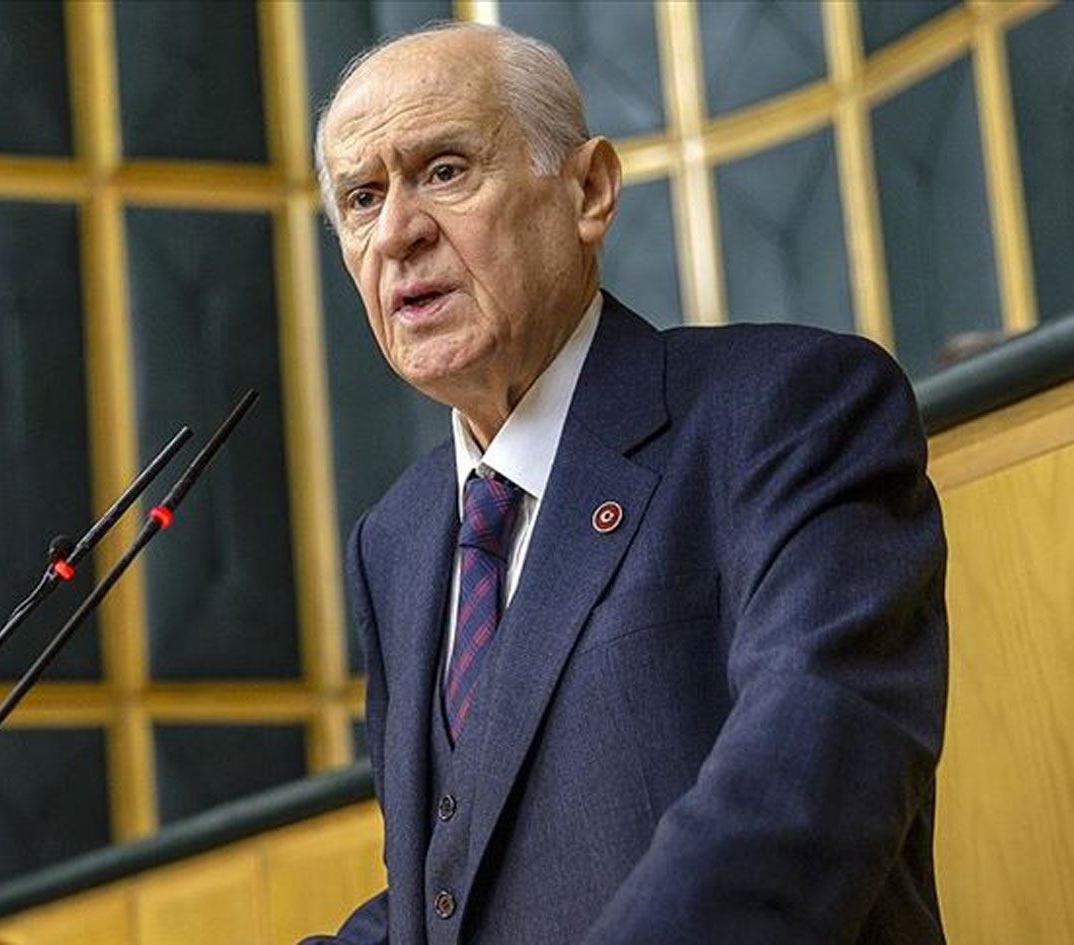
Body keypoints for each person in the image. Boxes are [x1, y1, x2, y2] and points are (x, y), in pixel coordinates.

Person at [308, 21, 948, 945]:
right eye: (363, 199)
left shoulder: (791, 411)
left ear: (589, 191)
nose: (399, 233)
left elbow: (804, 788)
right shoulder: (397, 538)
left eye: (445, 171)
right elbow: (447, 893)